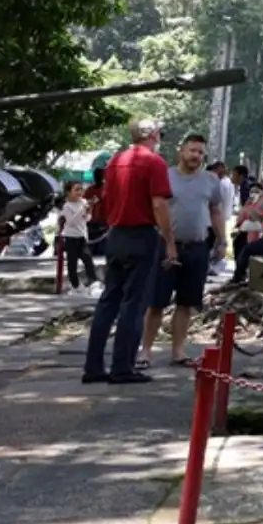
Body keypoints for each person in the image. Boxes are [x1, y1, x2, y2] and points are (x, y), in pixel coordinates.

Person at [82, 119, 174, 385]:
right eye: (159, 133)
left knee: (109, 299)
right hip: (141, 234)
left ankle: (93, 365)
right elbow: (159, 204)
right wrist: (169, 240)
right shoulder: (154, 162)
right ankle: (122, 366)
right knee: (134, 303)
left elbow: (107, 198)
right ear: (153, 135)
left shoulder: (115, 161)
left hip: (116, 234)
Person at [141, 134, 230, 369]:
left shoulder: (211, 180)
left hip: (197, 247)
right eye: (192, 151)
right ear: (181, 151)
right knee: (156, 302)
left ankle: (178, 351)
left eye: (200, 152)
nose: (196, 156)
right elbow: (154, 208)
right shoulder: (165, 176)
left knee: (186, 302)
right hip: (165, 246)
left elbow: (216, 211)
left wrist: (222, 240)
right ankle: (145, 351)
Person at [57, 181, 96, 290]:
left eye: (81, 189)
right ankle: (75, 285)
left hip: (82, 237)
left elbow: (87, 219)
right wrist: (83, 209)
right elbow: (71, 222)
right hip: (71, 238)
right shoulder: (67, 206)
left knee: (88, 261)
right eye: (76, 190)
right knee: (72, 263)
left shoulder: (83, 202)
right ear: (69, 192)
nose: (80, 192)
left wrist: (89, 209)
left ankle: (92, 281)